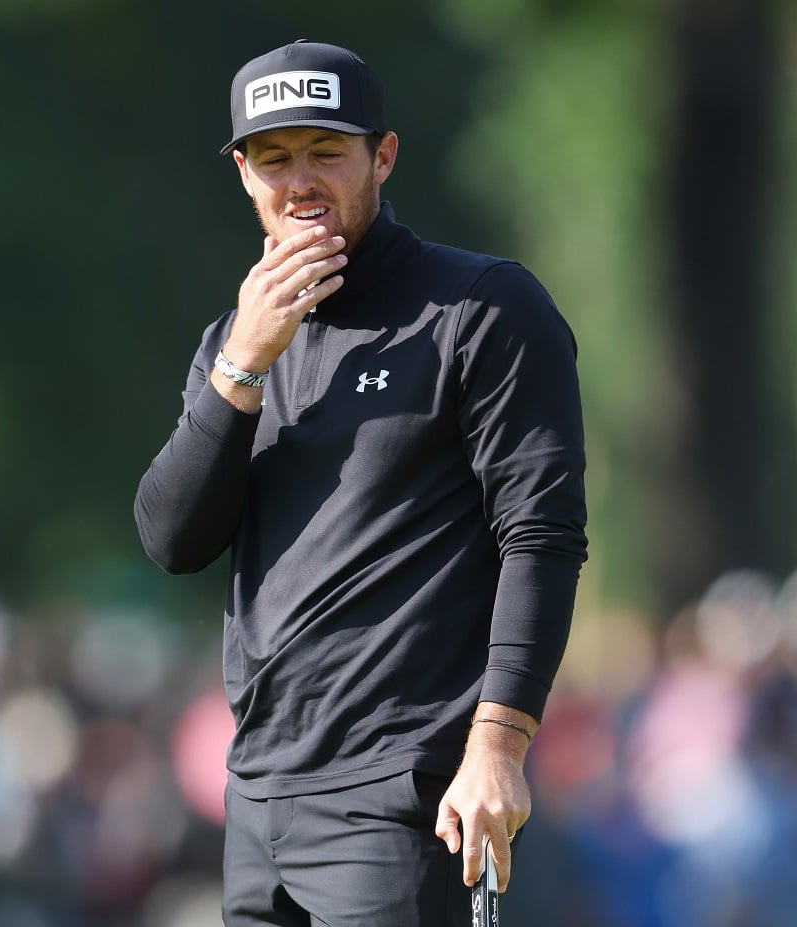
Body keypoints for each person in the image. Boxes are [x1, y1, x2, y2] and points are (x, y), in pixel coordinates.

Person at [134, 38, 587, 927]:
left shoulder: (481, 308)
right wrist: (242, 366)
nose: (299, 180)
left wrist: (498, 744)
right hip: (259, 794)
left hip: (406, 793)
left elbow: (541, 537)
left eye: (326, 152)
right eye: (274, 157)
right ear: (243, 174)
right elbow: (173, 538)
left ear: (382, 157)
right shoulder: (238, 341)